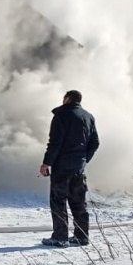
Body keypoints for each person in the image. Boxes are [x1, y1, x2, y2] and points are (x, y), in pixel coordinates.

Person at [39, 89, 99, 247]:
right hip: (78, 168)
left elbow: (55, 143)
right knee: (78, 202)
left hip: (62, 168)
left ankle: (60, 237)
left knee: (58, 201)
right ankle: (82, 237)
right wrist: (84, 160)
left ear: (67, 99)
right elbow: (95, 143)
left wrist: (46, 163)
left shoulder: (61, 115)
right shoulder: (89, 117)